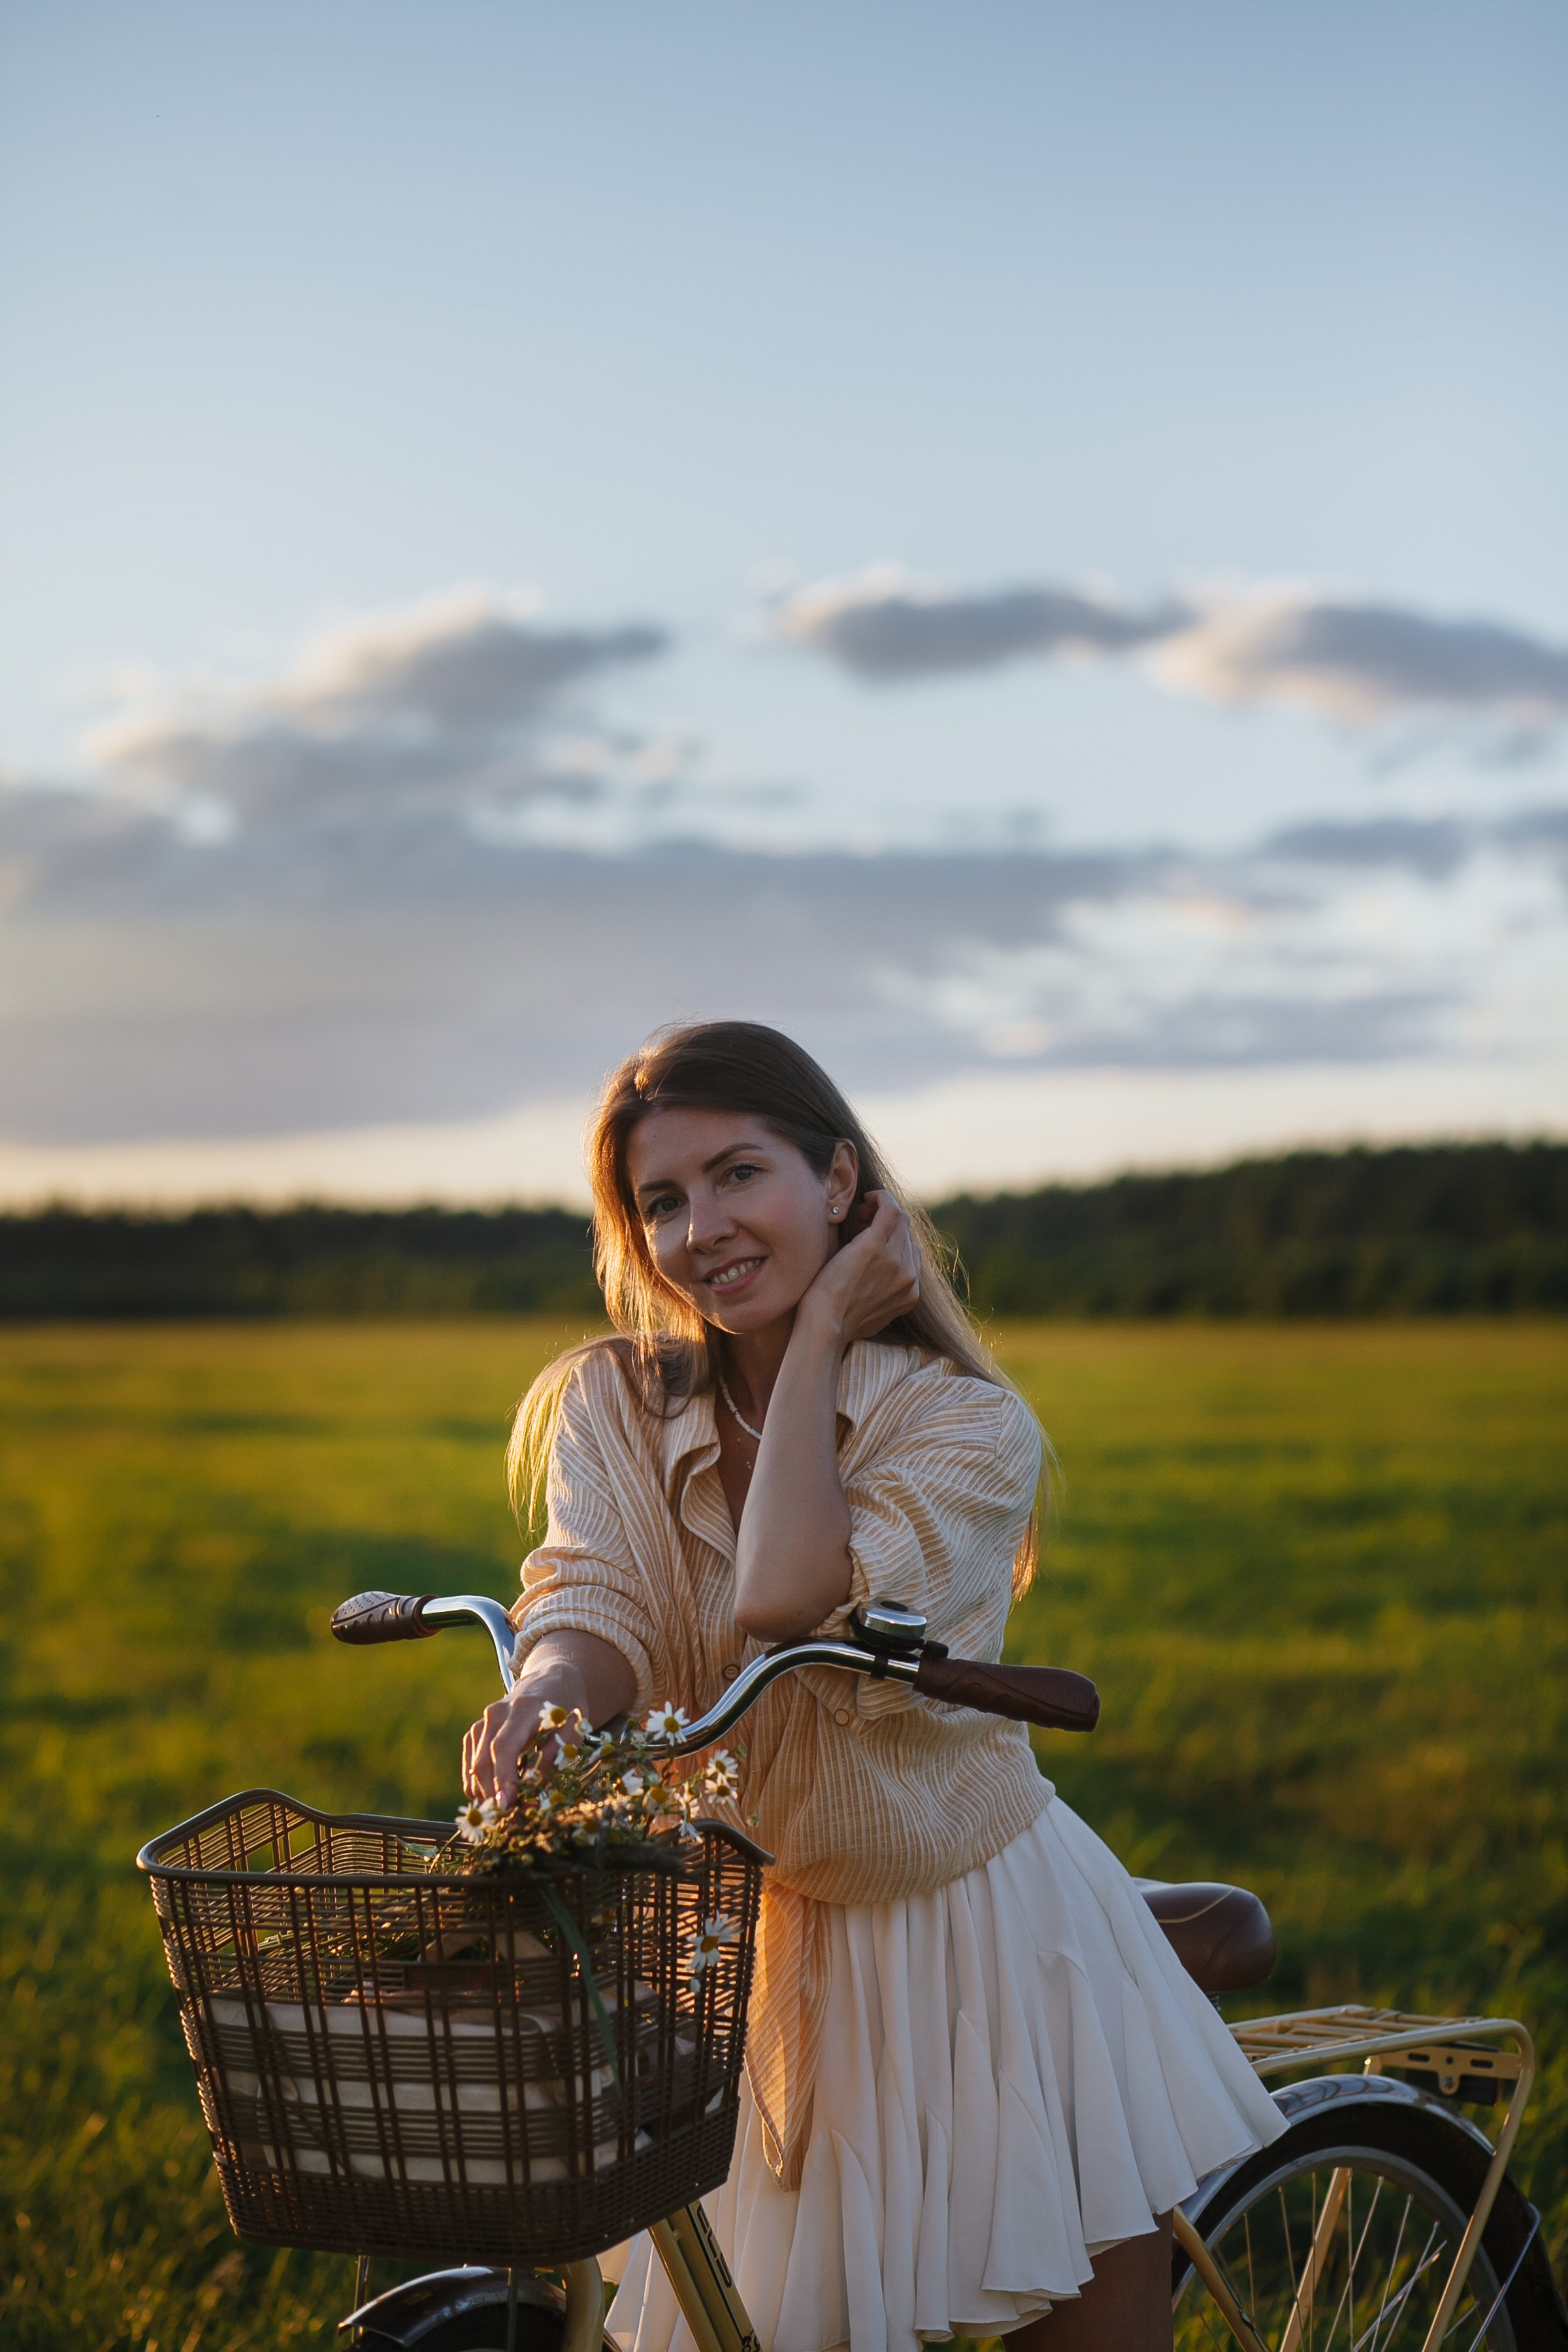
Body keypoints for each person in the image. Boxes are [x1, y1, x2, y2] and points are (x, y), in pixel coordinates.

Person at [465, 1021, 1281, 2352]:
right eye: (661, 1201)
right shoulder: (611, 1403)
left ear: (840, 1181)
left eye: (739, 1175)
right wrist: (550, 1689)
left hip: (978, 1939)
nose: (701, 1228)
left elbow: (787, 1593)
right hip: (746, 1938)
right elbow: (593, 1595)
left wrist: (827, 1326)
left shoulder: (963, 1422)